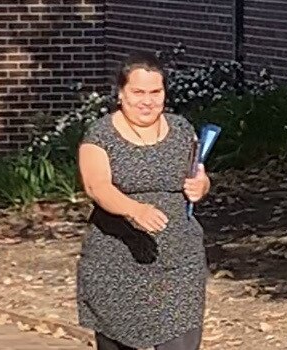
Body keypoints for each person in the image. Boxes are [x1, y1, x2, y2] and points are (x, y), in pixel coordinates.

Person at [76, 51, 210, 350]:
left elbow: (198, 175)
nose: (147, 101)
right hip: (117, 258)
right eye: (138, 92)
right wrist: (133, 209)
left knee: (181, 340)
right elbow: (96, 186)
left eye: (155, 92)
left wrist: (202, 186)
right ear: (121, 94)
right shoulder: (100, 135)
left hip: (179, 261)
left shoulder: (181, 130)